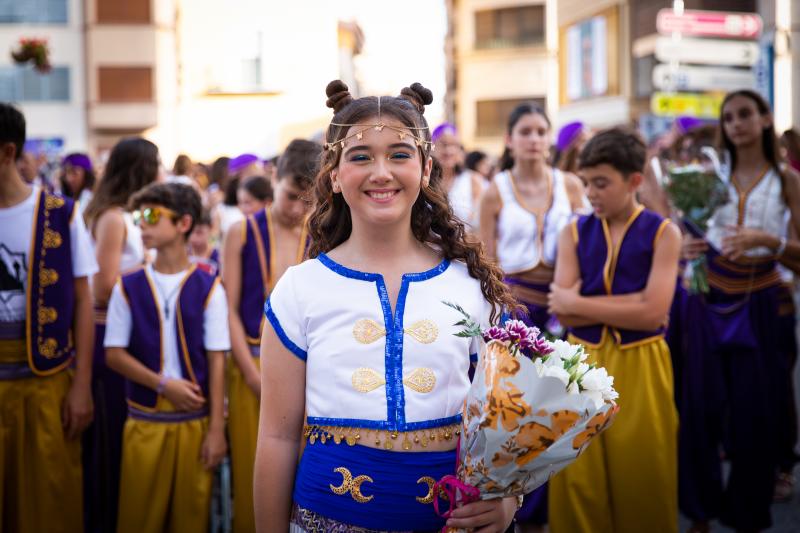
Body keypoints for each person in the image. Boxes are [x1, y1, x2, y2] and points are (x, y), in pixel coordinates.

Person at [253, 80, 520, 532]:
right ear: (335, 176)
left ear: (426, 167)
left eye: (399, 154)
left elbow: (506, 418)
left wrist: (508, 501)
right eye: (360, 157)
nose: (382, 172)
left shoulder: (471, 286)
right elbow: (277, 437)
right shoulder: (299, 289)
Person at [670, 89, 800, 532]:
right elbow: (691, 229)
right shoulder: (709, 177)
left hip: (762, 297)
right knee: (700, 408)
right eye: (728, 117)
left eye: (745, 114)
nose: (736, 123)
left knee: (754, 415)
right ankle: (700, 512)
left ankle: (747, 513)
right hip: (709, 298)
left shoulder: (786, 180)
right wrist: (688, 246)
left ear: (765, 119)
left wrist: (769, 242)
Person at [547, 127, 682, 533]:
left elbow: (654, 313)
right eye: (587, 182)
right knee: (577, 475)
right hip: (579, 365)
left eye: (601, 183)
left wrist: (580, 303)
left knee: (643, 471)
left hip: (643, 363)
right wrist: (631, 304)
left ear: (634, 181)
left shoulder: (664, 233)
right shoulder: (573, 231)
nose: (590, 192)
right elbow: (563, 313)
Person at [105, 182, 230, 533]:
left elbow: (217, 359)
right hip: (144, 422)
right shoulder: (127, 284)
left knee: (191, 519)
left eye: (151, 215)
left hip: (195, 423)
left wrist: (217, 431)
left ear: (183, 223)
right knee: (137, 518)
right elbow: (113, 354)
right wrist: (163, 384)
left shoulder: (209, 286)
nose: (141, 224)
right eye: (138, 216)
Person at [0, 103, 97, 532]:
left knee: (51, 501)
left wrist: (81, 388)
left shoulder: (62, 213)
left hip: (47, 382)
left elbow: (83, 302)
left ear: (6, 152)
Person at [223, 139, 320, 533]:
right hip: (251, 362)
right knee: (255, 468)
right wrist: (248, 372)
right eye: (290, 196)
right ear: (272, 179)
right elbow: (226, 307)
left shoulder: (320, 234)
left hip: (308, 369)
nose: (297, 208)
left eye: (306, 200)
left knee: (302, 470)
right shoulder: (240, 232)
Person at [81, 137, 159, 532]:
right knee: (111, 437)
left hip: (128, 332)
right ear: (139, 169)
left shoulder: (132, 214)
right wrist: (149, 281)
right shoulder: (113, 217)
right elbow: (102, 285)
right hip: (106, 334)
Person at [431, 122, 486, 228]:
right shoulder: (424, 181)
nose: (449, 151)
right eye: (443, 144)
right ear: (432, 146)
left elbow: (479, 225)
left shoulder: (473, 180)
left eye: (454, 145)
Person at [59, 153, 95, 217]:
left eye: (74, 173)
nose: (69, 179)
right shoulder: (66, 196)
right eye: (66, 173)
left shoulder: (90, 199)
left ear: (87, 175)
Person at [190, 209, 220, 276]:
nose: (193, 237)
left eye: (199, 232)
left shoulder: (218, 258)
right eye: (190, 232)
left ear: (210, 228)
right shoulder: (184, 255)